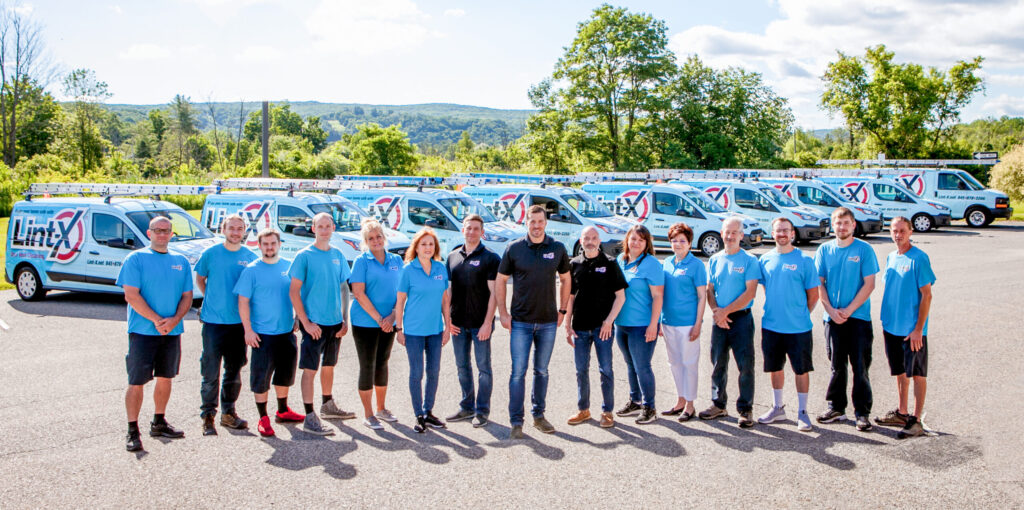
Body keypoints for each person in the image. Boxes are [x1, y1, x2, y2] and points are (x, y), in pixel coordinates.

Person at [118, 216, 194, 452]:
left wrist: (174, 321)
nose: (162, 234)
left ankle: (158, 422)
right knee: (137, 381)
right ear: (149, 233)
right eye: (157, 230)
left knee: (165, 377)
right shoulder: (136, 259)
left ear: (172, 234)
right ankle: (132, 430)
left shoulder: (180, 261)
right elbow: (131, 295)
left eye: (167, 231)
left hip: (171, 331)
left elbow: (187, 296)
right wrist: (156, 320)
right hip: (143, 332)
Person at [495, 204, 571, 439]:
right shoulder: (514, 248)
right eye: (532, 222)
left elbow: (566, 279)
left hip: (548, 322)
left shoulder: (557, 248)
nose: (536, 226)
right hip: (521, 322)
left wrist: (562, 310)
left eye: (540, 222)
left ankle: (539, 416)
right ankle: (516, 421)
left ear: (546, 223)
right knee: (518, 372)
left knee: (542, 371)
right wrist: (503, 313)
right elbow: (500, 281)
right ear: (525, 222)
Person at [814, 207, 879, 432]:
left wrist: (849, 310)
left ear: (853, 225)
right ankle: (836, 408)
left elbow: (869, 284)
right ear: (833, 225)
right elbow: (819, 283)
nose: (842, 227)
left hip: (858, 318)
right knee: (836, 366)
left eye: (846, 223)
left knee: (860, 366)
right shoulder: (824, 250)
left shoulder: (864, 250)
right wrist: (831, 311)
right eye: (838, 223)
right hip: (832, 319)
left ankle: (862, 413)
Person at [289, 212, 353, 436]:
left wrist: (345, 319)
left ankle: (327, 405)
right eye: (320, 226)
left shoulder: (337, 255)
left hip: (335, 322)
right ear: (313, 228)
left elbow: (344, 288)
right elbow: (294, 291)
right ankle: (309, 415)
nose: (324, 230)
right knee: (310, 369)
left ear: (333, 228)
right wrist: (305, 322)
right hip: (314, 324)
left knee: (329, 366)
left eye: (328, 226)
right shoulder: (304, 256)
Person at [235, 229, 303, 437]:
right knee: (261, 377)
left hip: (286, 332)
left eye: (273, 243)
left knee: (285, 374)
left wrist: (299, 317)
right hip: (262, 335)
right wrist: (248, 330)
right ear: (259, 245)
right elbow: (243, 301)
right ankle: (263, 417)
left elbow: (298, 294)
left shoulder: (289, 267)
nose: (269, 247)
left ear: (279, 244)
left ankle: (282, 410)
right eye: (265, 244)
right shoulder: (251, 271)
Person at [195, 214, 257, 436]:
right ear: (224, 229)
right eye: (231, 228)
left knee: (234, 371)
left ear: (244, 231)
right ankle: (208, 416)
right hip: (213, 323)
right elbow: (200, 279)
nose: (235, 232)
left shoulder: (250, 257)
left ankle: (228, 413)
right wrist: (210, 299)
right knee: (210, 372)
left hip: (239, 325)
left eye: (240, 228)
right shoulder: (210, 254)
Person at [756, 218, 819, 432]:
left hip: (799, 327)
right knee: (775, 368)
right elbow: (767, 288)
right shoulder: (765, 260)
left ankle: (802, 412)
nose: (782, 234)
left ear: (792, 233)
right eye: (778, 230)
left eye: (785, 230)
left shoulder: (804, 260)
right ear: (772, 233)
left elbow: (813, 295)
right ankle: (777, 407)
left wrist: (799, 313)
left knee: (801, 370)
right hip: (772, 325)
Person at [877, 216, 935, 439]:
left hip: (912, 331)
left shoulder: (919, 258)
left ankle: (916, 420)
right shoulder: (892, 257)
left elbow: (927, 295)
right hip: (892, 327)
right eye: (894, 231)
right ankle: (902, 412)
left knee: (917, 374)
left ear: (911, 232)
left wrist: (918, 328)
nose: (898, 235)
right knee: (900, 373)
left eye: (902, 231)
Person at [700, 217, 761, 428]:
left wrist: (725, 312)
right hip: (719, 320)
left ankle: (745, 409)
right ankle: (718, 404)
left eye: (735, 232)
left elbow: (750, 292)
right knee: (718, 364)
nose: (730, 236)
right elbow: (710, 290)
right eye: (727, 232)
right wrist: (717, 313)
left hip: (741, 319)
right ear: (722, 233)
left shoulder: (750, 260)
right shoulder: (715, 259)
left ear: (741, 235)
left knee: (745, 366)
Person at [565, 226, 627, 428]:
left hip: (603, 329)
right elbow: (570, 297)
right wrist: (567, 324)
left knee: (606, 370)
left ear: (599, 240)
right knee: (581, 370)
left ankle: (607, 411)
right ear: (581, 241)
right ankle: (583, 410)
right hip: (580, 328)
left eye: (593, 238)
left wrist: (609, 321)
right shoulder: (574, 264)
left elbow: (620, 297)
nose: (590, 241)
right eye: (586, 238)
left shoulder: (609, 263)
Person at [445, 214, 501, 428]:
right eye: (469, 228)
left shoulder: (490, 258)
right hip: (458, 323)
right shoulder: (452, 258)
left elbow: (494, 294)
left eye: (476, 229)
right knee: (462, 366)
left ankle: (482, 410)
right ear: (463, 230)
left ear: (482, 232)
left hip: (480, 325)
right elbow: (448, 292)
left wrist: (488, 323)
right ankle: (467, 407)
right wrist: (448, 319)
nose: (472, 232)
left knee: (483, 368)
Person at [395, 227, 452, 433]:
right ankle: (418, 414)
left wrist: (447, 326)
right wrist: (398, 329)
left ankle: (429, 412)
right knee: (416, 373)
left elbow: (445, 300)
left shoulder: (440, 268)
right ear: (416, 247)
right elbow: (400, 301)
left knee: (434, 372)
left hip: (435, 329)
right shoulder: (408, 270)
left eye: (431, 244)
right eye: (423, 244)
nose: (428, 248)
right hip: (413, 331)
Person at [348, 219, 402, 430]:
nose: (376, 241)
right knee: (368, 365)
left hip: (389, 321)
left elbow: (402, 292)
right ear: (365, 242)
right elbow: (359, 293)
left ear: (384, 237)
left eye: (379, 236)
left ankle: (381, 408)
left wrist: (392, 316)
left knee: (383, 363)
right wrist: (380, 320)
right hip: (365, 323)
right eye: (371, 238)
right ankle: (369, 414)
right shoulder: (362, 262)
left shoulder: (396, 260)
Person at [613, 225, 664, 424]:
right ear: (627, 240)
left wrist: (654, 324)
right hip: (622, 323)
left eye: (641, 240)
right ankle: (635, 400)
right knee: (630, 364)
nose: (636, 243)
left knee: (642, 366)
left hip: (642, 325)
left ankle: (649, 406)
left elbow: (658, 296)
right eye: (633, 239)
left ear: (646, 244)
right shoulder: (620, 260)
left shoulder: (651, 264)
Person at [659, 222, 707, 422]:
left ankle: (690, 404)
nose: (677, 244)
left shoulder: (696, 266)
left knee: (689, 363)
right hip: (669, 322)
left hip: (688, 324)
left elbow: (702, 297)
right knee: (675, 363)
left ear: (689, 243)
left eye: (682, 241)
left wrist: (698, 324)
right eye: (674, 240)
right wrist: (660, 321)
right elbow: (661, 294)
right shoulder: (667, 263)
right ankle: (680, 400)